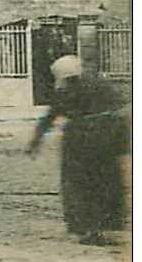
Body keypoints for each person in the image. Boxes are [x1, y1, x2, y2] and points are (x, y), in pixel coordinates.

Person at [27, 55, 131, 245]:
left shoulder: (65, 90)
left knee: (80, 186)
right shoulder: (101, 85)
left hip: (79, 143)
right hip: (106, 140)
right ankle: (106, 226)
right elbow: (122, 110)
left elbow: (51, 116)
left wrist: (35, 141)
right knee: (106, 183)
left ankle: (89, 229)